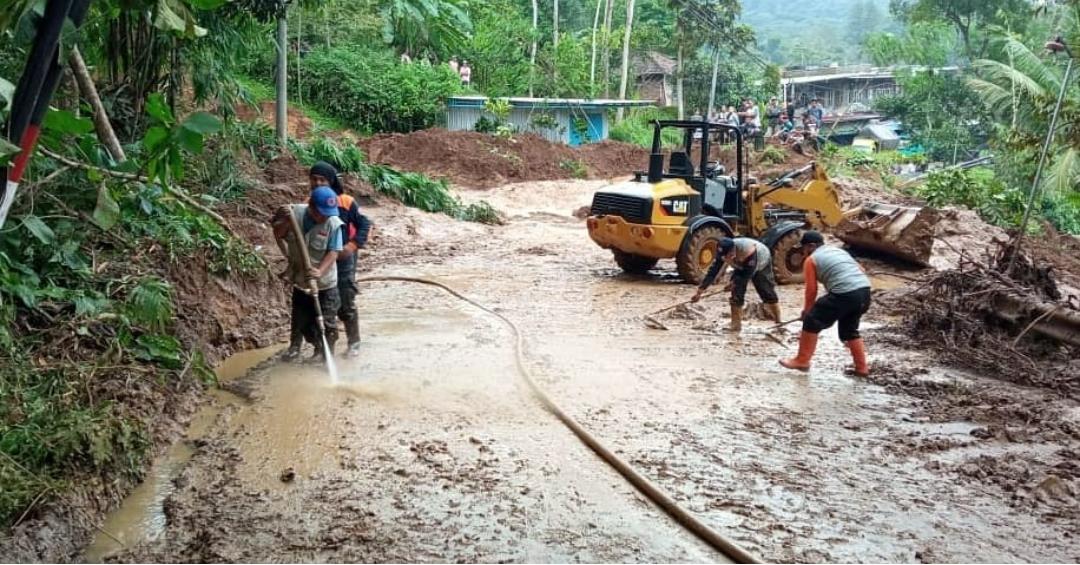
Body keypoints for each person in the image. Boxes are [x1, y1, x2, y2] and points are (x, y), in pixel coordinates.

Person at [779, 230, 872, 377]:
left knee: (812, 321)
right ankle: (862, 368)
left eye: (804, 248)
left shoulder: (812, 259)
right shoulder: (838, 251)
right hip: (864, 292)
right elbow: (861, 269)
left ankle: (802, 360)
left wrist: (807, 312)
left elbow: (811, 290)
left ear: (811, 246)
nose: (803, 252)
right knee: (849, 331)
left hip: (844, 293)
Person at [273, 185, 344, 362]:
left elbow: (333, 252)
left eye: (328, 214)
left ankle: (326, 356)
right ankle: (310, 347)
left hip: (325, 283)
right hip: (301, 281)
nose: (325, 217)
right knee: (302, 322)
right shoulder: (294, 213)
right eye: (322, 213)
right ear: (311, 207)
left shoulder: (334, 224)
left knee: (327, 323)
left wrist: (319, 271)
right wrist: (286, 222)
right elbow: (278, 234)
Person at [318, 161, 373, 359]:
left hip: (344, 257)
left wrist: (352, 245)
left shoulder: (346, 201)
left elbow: (365, 224)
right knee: (325, 302)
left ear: (331, 181)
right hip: (323, 258)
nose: (318, 183)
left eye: (322, 180)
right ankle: (323, 348)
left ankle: (353, 342)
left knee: (346, 298)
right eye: (314, 179)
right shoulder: (312, 202)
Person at [691, 237, 781, 333]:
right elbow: (713, 271)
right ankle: (736, 325)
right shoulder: (723, 252)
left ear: (732, 251)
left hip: (760, 260)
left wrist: (733, 283)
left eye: (727, 255)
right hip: (740, 263)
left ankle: (778, 320)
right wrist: (700, 291)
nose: (725, 258)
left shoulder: (749, 253)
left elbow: (746, 276)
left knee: (765, 290)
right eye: (723, 256)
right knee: (736, 293)